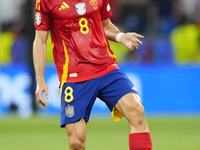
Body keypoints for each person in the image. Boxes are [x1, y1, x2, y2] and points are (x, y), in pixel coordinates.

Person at [33, 0, 152, 150]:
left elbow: (106, 25)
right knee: (77, 142)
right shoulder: (45, 1)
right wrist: (40, 78)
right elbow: (40, 40)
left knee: (137, 110)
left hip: (106, 68)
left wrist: (121, 36)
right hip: (74, 76)